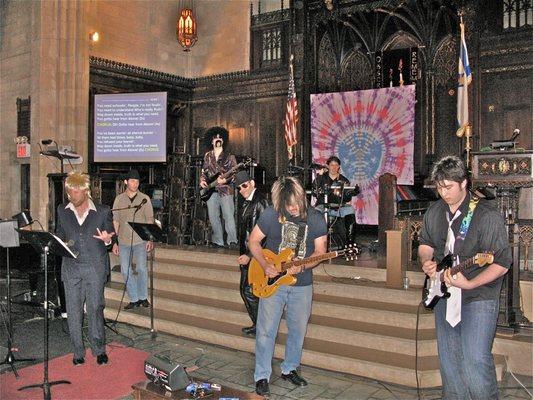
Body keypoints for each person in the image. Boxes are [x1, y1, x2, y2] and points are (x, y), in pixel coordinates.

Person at [418, 155, 511, 400]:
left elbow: (501, 263)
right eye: (438, 187)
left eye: (448, 187)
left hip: (478, 295)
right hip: (444, 293)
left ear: (464, 183)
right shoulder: (435, 211)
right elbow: (425, 243)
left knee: (475, 360)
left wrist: (469, 282)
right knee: (449, 362)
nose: (443, 193)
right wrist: (426, 262)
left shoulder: (486, 216)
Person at [248, 176, 327, 396]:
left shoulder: (316, 218)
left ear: (302, 197)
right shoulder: (271, 215)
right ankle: (262, 375)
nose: (291, 208)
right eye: (287, 205)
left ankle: (289, 368)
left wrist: (301, 268)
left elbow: (320, 251)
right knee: (265, 331)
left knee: (297, 330)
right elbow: (253, 241)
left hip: (302, 284)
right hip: (272, 281)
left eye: (294, 204)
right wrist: (264, 265)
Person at [55, 171, 115, 366]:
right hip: (71, 267)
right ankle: (77, 352)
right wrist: (62, 242)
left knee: (96, 308)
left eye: (74, 192)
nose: (71, 196)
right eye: (69, 192)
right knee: (73, 311)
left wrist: (108, 241)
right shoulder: (62, 210)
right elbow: (60, 234)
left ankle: (99, 349)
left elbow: (110, 236)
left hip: (95, 267)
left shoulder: (103, 210)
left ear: (85, 191)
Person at [112, 169, 154, 310]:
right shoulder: (119, 199)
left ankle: (143, 297)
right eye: (132, 181)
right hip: (123, 240)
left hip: (140, 240)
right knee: (125, 270)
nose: (135, 184)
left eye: (137, 181)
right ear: (126, 182)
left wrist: (150, 239)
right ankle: (134, 298)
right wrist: (115, 241)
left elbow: (149, 219)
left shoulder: (145, 199)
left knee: (142, 268)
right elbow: (116, 221)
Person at [235, 170, 270, 336]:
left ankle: (261, 326)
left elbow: (263, 233)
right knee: (248, 290)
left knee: (248, 290)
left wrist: (249, 256)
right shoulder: (247, 202)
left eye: (244, 185)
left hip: (256, 255)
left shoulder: (260, 202)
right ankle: (259, 325)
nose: (241, 189)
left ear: (252, 183)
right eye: (238, 187)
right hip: (249, 254)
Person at [200, 126, 238, 249]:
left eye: (220, 138)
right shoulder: (207, 156)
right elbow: (204, 171)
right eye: (215, 138)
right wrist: (202, 181)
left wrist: (225, 180)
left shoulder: (230, 156)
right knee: (213, 216)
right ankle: (218, 241)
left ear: (223, 141)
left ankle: (232, 240)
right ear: (211, 141)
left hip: (225, 190)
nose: (217, 139)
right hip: (211, 191)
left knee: (228, 215)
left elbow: (234, 175)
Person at [313, 156, 357, 247]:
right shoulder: (322, 177)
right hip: (323, 205)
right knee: (316, 212)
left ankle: (349, 243)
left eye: (336, 165)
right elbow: (315, 192)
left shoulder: (344, 180)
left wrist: (351, 193)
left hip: (338, 206)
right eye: (331, 165)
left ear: (339, 167)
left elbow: (346, 199)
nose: (334, 167)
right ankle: (317, 243)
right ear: (328, 166)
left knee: (350, 210)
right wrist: (320, 176)